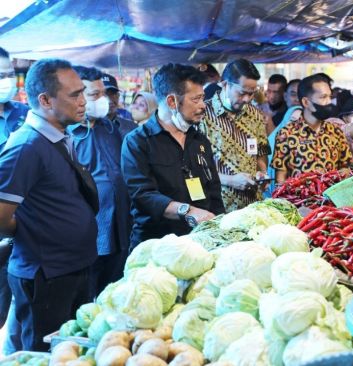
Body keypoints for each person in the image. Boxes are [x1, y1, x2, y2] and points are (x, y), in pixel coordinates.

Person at [0, 58, 99, 351]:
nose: (84, 102)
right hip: (47, 275)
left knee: (71, 350)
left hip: (72, 268)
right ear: (45, 100)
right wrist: (32, 229)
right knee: (43, 354)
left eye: (83, 92)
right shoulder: (26, 147)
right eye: (74, 95)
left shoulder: (58, 136)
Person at [122, 63, 225, 250]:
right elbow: (143, 195)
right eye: (196, 99)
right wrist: (187, 211)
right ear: (172, 102)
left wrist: (221, 229)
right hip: (156, 244)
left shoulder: (199, 140)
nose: (203, 105)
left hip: (200, 243)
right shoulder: (138, 141)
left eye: (203, 98)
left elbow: (213, 191)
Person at [69, 66, 132, 297]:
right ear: (77, 96)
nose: (103, 100)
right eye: (94, 95)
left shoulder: (110, 128)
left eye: (103, 93)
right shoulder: (68, 135)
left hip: (120, 226)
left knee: (112, 294)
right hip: (90, 233)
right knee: (86, 299)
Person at [201, 59, 270, 212]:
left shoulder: (256, 115)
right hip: (217, 207)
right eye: (242, 93)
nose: (247, 99)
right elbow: (196, 169)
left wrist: (262, 173)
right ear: (225, 84)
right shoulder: (202, 115)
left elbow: (261, 153)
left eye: (252, 94)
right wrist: (230, 180)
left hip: (252, 206)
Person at [272, 74, 353, 182]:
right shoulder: (286, 134)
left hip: (330, 198)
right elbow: (280, 177)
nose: (329, 102)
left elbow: (347, 166)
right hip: (299, 198)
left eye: (330, 96)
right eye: (323, 97)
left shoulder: (336, 132)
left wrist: (345, 172)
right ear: (306, 102)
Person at [0, 46, 28, 356]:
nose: (5, 81)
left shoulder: (24, 114)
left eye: (8, 74)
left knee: (19, 311)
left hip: (24, 232)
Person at [103, 73, 135, 138]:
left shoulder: (131, 128)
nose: (109, 100)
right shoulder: (85, 131)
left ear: (118, 96)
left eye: (113, 94)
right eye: (104, 95)